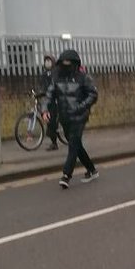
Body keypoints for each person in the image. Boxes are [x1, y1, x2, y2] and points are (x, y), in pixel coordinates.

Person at [42, 49, 98, 188]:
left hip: (79, 117)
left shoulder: (83, 77)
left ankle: (66, 175)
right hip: (65, 116)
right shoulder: (57, 78)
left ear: (75, 64)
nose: (66, 66)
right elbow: (49, 95)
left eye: (69, 63)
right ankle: (91, 169)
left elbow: (93, 94)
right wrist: (44, 110)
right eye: (64, 63)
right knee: (76, 145)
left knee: (73, 144)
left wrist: (81, 107)